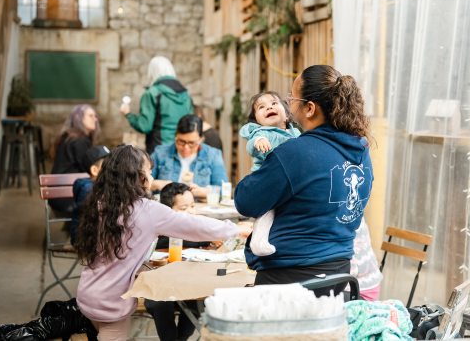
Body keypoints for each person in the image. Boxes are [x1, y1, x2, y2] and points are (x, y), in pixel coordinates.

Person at [234, 65, 382, 299]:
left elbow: (246, 201)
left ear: (310, 108)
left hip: (288, 283)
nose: (289, 103)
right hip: (338, 280)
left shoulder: (295, 153)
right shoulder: (361, 151)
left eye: (292, 98)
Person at [75, 145, 248, 340]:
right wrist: (235, 229)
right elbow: (193, 225)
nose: (152, 176)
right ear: (138, 177)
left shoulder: (101, 202)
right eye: (149, 171)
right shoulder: (147, 210)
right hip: (111, 304)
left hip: (87, 294)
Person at [239, 91, 301, 256]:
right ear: (258, 121)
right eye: (262, 107)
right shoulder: (263, 133)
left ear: (287, 115)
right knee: (267, 212)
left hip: (288, 183)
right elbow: (251, 145)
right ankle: (258, 241)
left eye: (274, 103)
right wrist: (259, 141)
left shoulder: (296, 134)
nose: (269, 107)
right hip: (266, 182)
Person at [145, 182, 205, 341]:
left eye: (193, 206)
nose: (191, 212)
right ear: (167, 211)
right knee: (159, 302)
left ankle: (182, 338)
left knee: (198, 301)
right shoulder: (157, 227)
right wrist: (198, 241)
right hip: (159, 286)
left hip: (189, 284)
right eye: (184, 209)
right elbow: (163, 241)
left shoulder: (197, 226)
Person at [120, 56, 193, 154]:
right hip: (182, 149)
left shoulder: (152, 93)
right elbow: (191, 123)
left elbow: (144, 126)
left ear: (152, 72)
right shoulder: (186, 95)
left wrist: (128, 114)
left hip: (159, 150)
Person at [151, 114, 227, 198]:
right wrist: (155, 184)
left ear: (201, 139)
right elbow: (140, 184)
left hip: (198, 208)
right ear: (175, 136)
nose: (186, 148)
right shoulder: (160, 153)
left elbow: (223, 189)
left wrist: (204, 192)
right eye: (181, 142)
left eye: (191, 143)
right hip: (167, 208)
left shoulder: (213, 155)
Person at [50, 104, 99, 212]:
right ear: (79, 118)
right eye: (91, 116)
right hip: (67, 197)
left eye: (95, 116)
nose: (95, 119)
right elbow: (90, 169)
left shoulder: (70, 136)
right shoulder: (79, 141)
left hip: (59, 194)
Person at [69, 145, 111, 245]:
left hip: (95, 234)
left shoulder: (101, 186)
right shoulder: (88, 189)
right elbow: (92, 219)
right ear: (95, 171)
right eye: (107, 166)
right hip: (82, 237)